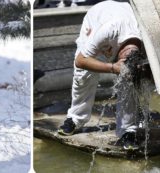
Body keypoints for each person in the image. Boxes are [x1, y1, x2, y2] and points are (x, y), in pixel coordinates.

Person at [57, 0, 146, 150]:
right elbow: (81, 60)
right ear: (121, 51)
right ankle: (75, 118)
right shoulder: (108, 30)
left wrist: (138, 71)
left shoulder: (146, 38)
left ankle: (128, 130)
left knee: (130, 78)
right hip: (97, 20)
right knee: (83, 75)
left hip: (124, 19)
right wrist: (112, 67)